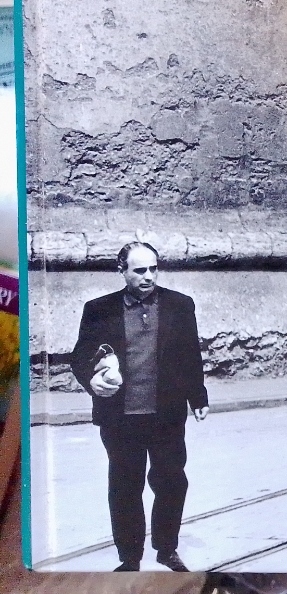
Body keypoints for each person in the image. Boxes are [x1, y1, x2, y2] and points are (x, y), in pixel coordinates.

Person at [69, 242, 209, 572]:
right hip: (120, 417)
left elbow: (191, 355)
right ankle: (130, 558)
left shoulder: (180, 305)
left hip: (167, 414)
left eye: (154, 269)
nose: (149, 276)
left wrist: (198, 398)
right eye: (140, 270)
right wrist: (92, 379)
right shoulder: (98, 309)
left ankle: (166, 548)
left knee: (172, 482)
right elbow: (79, 356)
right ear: (122, 271)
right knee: (125, 486)